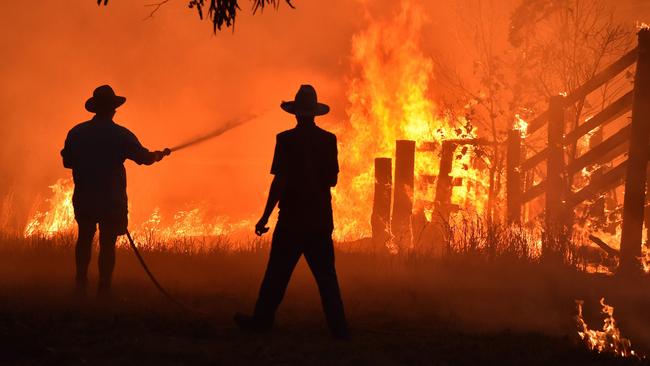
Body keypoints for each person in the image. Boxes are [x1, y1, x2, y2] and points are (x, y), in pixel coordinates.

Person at [234, 84, 348, 339]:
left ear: (296, 114)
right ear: (314, 114)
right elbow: (332, 180)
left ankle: (261, 322)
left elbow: (279, 182)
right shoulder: (328, 140)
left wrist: (264, 217)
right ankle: (340, 330)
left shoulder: (285, 140)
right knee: (327, 279)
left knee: (276, 274)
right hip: (319, 221)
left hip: (292, 220)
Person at [61, 85, 170, 296]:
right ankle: (104, 288)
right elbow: (144, 158)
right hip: (111, 200)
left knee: (84, 238)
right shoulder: (120, 135)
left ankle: (80, 283)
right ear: (112, 110)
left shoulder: (76, 132)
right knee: (108, 243)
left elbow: (68, 162)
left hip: (84, 196)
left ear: (94, 109)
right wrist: (158, 155)